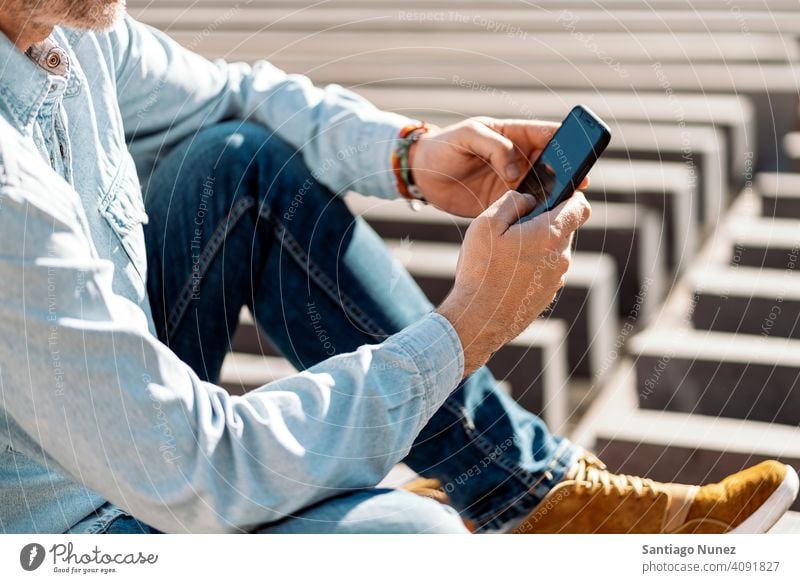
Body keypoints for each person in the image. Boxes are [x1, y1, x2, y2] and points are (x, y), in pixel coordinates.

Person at [0, 0, 796, 535]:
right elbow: (202, 461)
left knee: (235, 162)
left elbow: (233, 95)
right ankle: (474, 494)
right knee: (412, 538)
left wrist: (410, 157)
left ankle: (528, 492)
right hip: (74, 532)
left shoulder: (72, 28)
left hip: (121, 433)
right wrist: (464, 328)